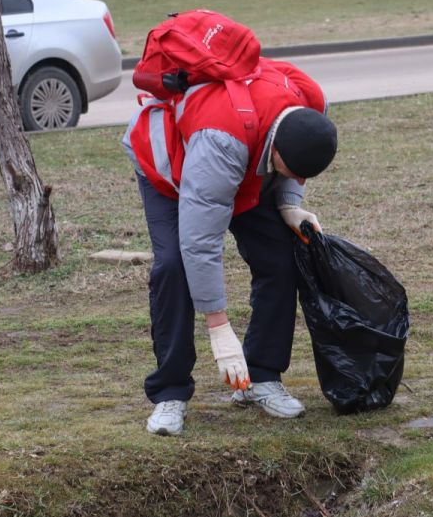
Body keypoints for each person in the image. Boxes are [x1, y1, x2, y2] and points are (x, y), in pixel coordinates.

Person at [122, 53, 338, 436]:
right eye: (287, 172)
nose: (290, 177)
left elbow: (291, 164)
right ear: (275, 150)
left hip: (247, 160)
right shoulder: (222, 143)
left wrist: (289, 202)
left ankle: (261, 377)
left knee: (280, 257)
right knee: (173, 266)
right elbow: (200, 243)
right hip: (173, 165)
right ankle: (170, 393)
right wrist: (219, 328)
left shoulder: (309, 102)